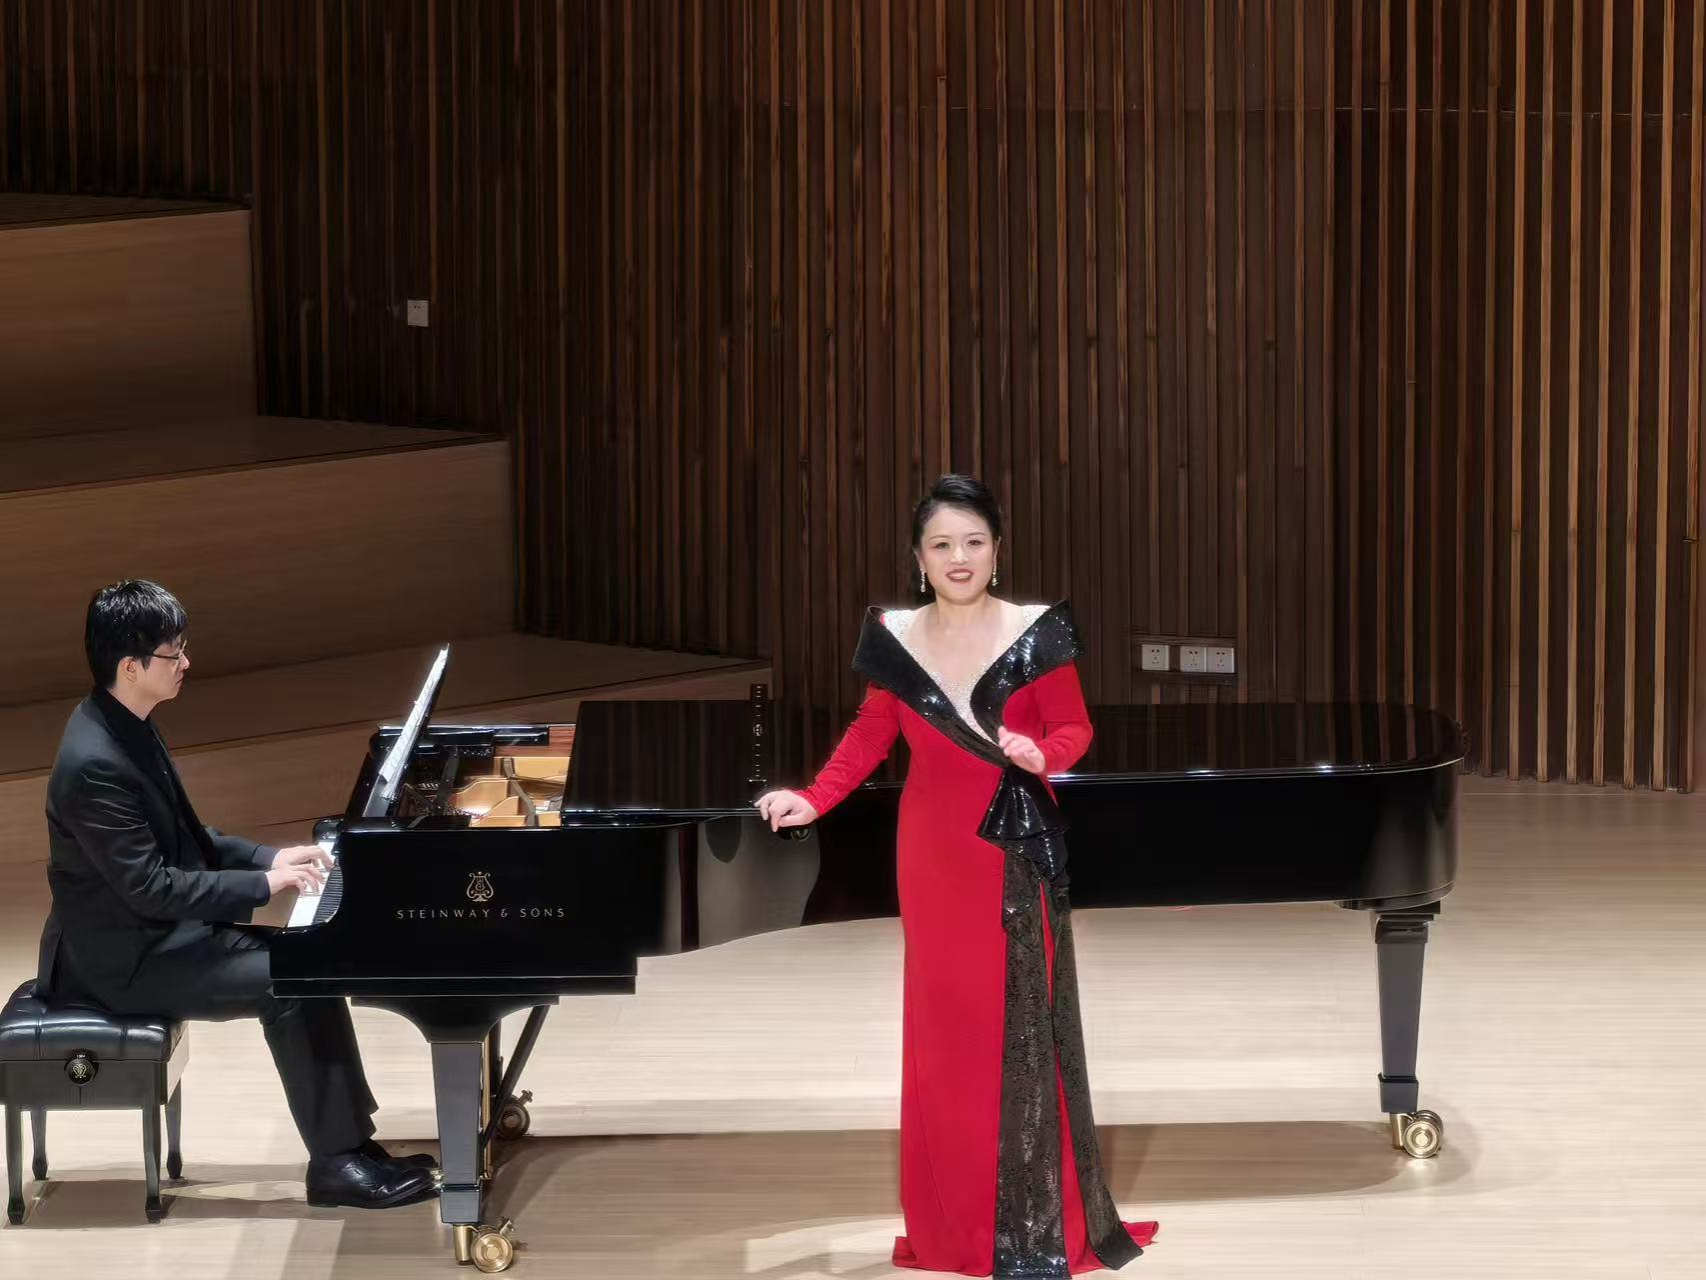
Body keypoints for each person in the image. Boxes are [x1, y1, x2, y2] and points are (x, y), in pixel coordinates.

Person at [756, 476, 1158, 1277]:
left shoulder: (1037, 631)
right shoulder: (896, 637)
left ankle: (1033, 1224)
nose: (959, 557)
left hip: (1012, 847)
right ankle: (952, 1224)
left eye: (974, 541)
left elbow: (1075, 726)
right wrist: (814, 796)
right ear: (920, 559)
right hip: (932, 853)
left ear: (997, 551)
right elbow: (871, 733)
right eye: (942, 544)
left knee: (1018, 1026)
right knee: (943, 1035)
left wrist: (1044, 754)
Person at [34, 580, 439, 1210]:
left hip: (152, 936)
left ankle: (352, 1148)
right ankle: (336, 1164)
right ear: (130, 666)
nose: (186, 662)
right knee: (290, 984)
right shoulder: (94, 763)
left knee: (310, 964)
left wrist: (269, 857)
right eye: (173, 653)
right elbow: (151, 887)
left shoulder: (125, 723)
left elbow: (188, 838)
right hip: (120, 962)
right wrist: (265, 885)